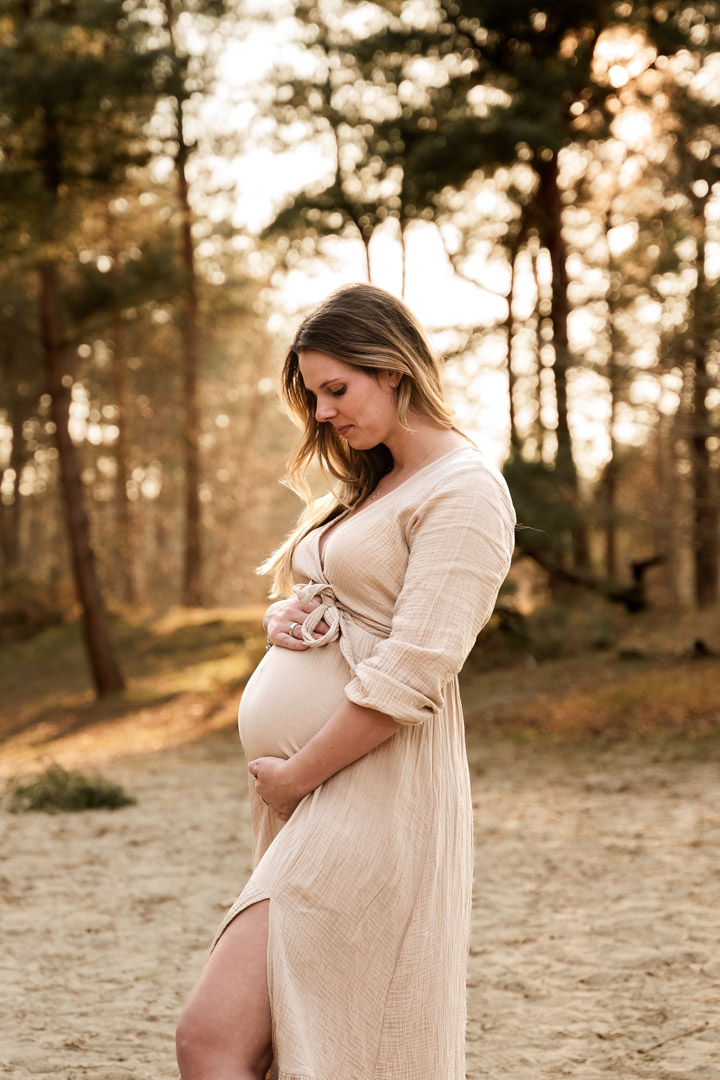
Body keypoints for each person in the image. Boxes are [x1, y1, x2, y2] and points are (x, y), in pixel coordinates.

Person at [176, 282, 516, 1080]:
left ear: (394, 370)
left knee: (214, 1037)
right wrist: (284, 621)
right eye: (313, 394)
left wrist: (295, 776)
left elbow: (416, 671)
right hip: (317, 794)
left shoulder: (464, 491)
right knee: (289, 1039)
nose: (323, 412)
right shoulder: (377, 481)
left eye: (337, 389)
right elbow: (342, 597)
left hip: (372, 789)